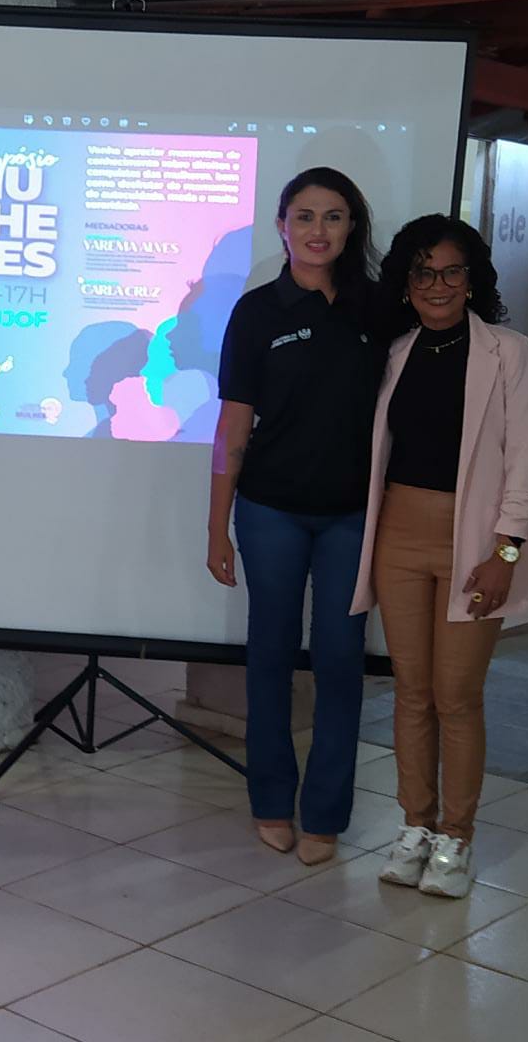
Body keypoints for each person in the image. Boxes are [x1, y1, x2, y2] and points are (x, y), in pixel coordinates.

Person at [352, 215, 528, 898]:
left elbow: (527, 461)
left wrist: (505, 552)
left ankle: (456, 839)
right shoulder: (397, 352)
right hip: (399, 536)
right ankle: (415, 826)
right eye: (423, 272)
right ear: (406, 283)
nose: (437, 284)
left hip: (477, 542)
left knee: (456, 696)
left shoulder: (508, 352)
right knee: (411, 692)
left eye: (451, 271)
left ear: (473, 279)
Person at [206, 167, 384, 866]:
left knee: (340, 662)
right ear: (282, 226)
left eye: (333, 216)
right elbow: (232, 428)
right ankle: (271, 801)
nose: (318, 230)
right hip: (270, 511)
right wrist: (216, 526)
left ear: (351, 227)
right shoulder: (258, 312)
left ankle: (326, 814)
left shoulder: (376, 310)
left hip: (351, 516)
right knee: (271, 657)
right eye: (304, 216)